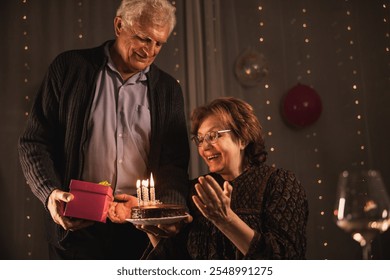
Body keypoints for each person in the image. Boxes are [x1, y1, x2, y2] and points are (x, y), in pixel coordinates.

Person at [18, 0, 189, 260]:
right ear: (119, 24)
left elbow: (174, 165)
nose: (151, 50)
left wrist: (165, 214)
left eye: (159, 43)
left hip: (140, 228)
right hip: (76, 227)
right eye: (143, 38)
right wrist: (50, 192)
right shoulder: (69, 67)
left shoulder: (168, 89)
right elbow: (34, 142)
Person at [141, 97, 308, 259]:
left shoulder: (279, 183)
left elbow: (287, 260)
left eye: (213, 135)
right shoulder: (196, 189)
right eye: (200, 139)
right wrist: (151, 227)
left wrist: (226, 220)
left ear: (243, 139)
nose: (204, 147)